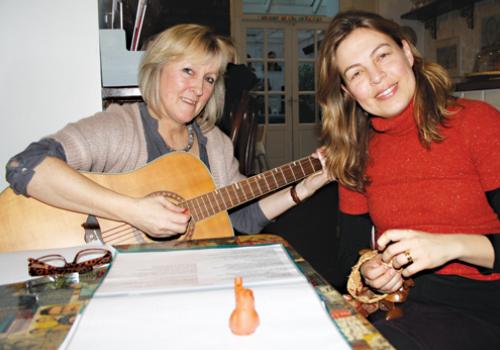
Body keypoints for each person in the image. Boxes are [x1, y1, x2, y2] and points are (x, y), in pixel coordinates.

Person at [6, 24, 330, 241]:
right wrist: (134, 212)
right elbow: (26, 166)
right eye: (187, 71)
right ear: (156, 68)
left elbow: (243, 218)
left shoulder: (213, 143)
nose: (198, 89)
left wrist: (305, 187)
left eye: (209, 79)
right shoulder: (121, 127)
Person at [318, 10, 500, 349]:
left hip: (485, 306)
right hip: (403, 307)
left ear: (406, 51)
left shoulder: (479, 124)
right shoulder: (355, 154)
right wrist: (369, 271)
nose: (376, 78)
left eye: (382, 56)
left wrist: (450, 246)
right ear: (347, 91)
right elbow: (346, 262)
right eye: (357, 73)